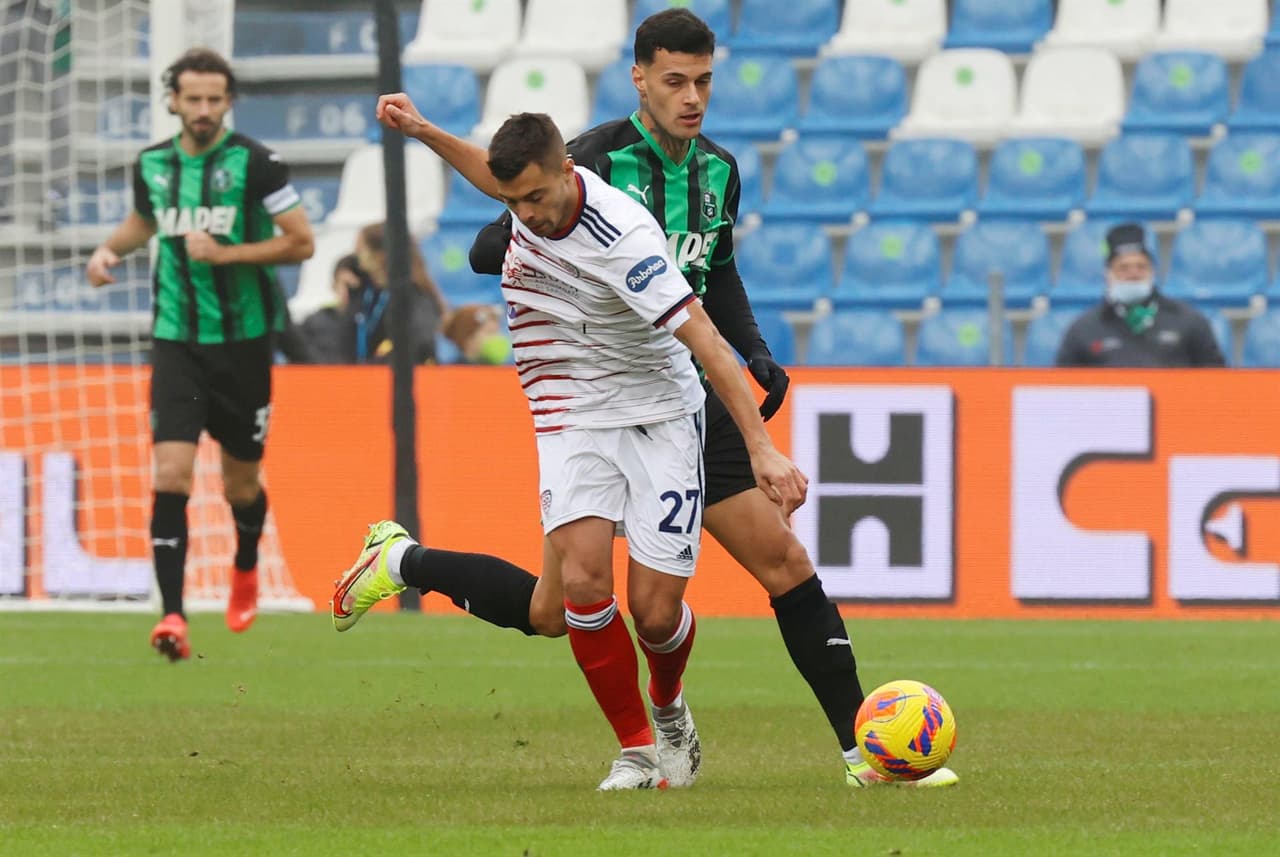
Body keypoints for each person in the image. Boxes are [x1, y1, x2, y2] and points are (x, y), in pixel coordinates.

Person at [377, 9, 958, 789]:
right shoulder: (592, 163)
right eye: (675, 81)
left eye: (704, 81)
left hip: (692, 385)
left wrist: (753, 348)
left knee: (779, 562)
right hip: (595, 392)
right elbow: (500, 234)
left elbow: (715, 272)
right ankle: (407, 559)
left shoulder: (717, 169)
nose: (692, 98)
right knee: (560, 606)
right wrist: (550, 248)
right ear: (640, 79)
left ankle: (866, 754)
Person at [332, 110, 808, 791]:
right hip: (570, 415)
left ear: (567, 171)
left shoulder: (623, 237)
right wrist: (422, 131)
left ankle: (668, 704)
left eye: (536, 198)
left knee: (647, 613)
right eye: (513, 201)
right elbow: (488, 172)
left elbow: (704, 339)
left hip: (662, 418)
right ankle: (638, 751)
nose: (525, 215)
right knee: (585, 582)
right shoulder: (526, 200)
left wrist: (762, 449)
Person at [85, 48, 315, 660]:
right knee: (170, 474)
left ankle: (245, 566)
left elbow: (302, 244)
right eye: (194, 99)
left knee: (240, 486)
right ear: (173, 101)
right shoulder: (153, 164)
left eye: (216, 99)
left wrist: (227, 254)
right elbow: (144, 221)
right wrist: (109, 252)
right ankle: (172, 616)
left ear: (228, 101)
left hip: (242, 347)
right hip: (177, 341)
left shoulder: (257, 163)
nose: (205, 109)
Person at [1056, 223, 1226, 368]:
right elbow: (1063, 388)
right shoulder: (1084, 329)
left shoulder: (1188, 320)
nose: (1133, 274)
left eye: (1141, 266)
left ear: (1153, 271)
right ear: (1108, 274)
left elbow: (1217, 380)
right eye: (1123, 268)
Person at [298, 225, 446, 365]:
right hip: (363, 380)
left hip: (395, 382)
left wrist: (375, 366)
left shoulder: (414, 298)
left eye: (361, 250)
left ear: (380, 256)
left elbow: (418, 343)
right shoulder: (367, 292)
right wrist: (346, 279)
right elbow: (350, 263)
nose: (356, 256)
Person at [440, 302, 512, 365]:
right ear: (468, 339)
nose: (497, 338)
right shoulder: (452, 371)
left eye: (497, 332)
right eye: (490, 332)